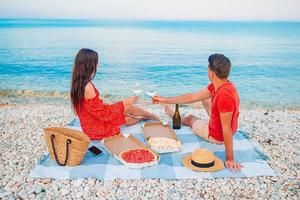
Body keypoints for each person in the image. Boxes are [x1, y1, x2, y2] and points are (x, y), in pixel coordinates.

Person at [152, 54, 242, 172]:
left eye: (208, 68)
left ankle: (174, 115)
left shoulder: (224, 97)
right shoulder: (222, 85)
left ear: (212, 73)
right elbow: (192, 97)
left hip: (217, 135)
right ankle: (213, 118)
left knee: (190, 119)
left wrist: (230, 158)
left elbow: (226, 129)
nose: (207, 70)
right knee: (204, 97)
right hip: (223, 123)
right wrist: (164, 100)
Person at [70, 48, 159, 140]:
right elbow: (104, 114)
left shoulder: (77, 82)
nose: (98, 65)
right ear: (89, 65)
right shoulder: (87, 86)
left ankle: (147, 116)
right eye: (96, 62)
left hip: (89, 123)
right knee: (127, 112)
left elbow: (90, 107)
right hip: (96, 129)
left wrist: (109, 105)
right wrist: (124, 102)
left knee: (126, 111)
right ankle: (147, 116)